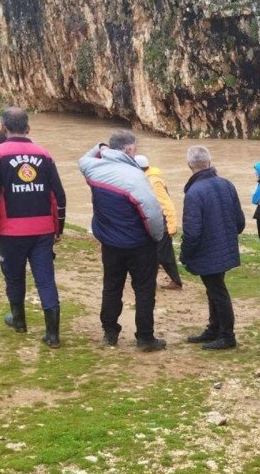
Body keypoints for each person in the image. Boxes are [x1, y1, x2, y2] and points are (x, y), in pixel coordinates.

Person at [0, 107, 66, 349]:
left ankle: (19, 321)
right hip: (43, 229)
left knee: (14, 276)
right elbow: (59, 196)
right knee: (46, 279)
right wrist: (59, 227)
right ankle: (53, 335)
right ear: (28, 128)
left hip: (10, 231)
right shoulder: (44, 154)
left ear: (3, 128)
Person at [79, 129, 167, 351]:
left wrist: (100, 148)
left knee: (111, 286)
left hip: (110, 243)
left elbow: (83, 158)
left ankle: (110, 333)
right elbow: (152, 214)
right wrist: (157, 237)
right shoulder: (135, 177)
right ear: (128, 150)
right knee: (144, 290)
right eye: (134, 149)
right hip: (139, 245)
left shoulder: (92, 168)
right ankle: (145, 338)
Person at [180, 146, 245, 351]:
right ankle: (214, 328)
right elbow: (240, 222)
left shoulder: (193, 193)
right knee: (214, 289)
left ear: (189, 165)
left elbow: (192, 232)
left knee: (217, 291)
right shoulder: (227, 184)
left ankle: (227, 336)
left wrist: (185, 254)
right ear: (209, 162)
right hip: (224, 247)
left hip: (207, 250)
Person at [134, 154, 183, 290]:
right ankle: (154, 281)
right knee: (154, 254)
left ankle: (176, 282)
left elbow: (167, 204)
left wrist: (172, 226)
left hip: (162, 225)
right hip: (153, 223)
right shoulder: (147, 179)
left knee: (163, 255)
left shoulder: (154, 182)